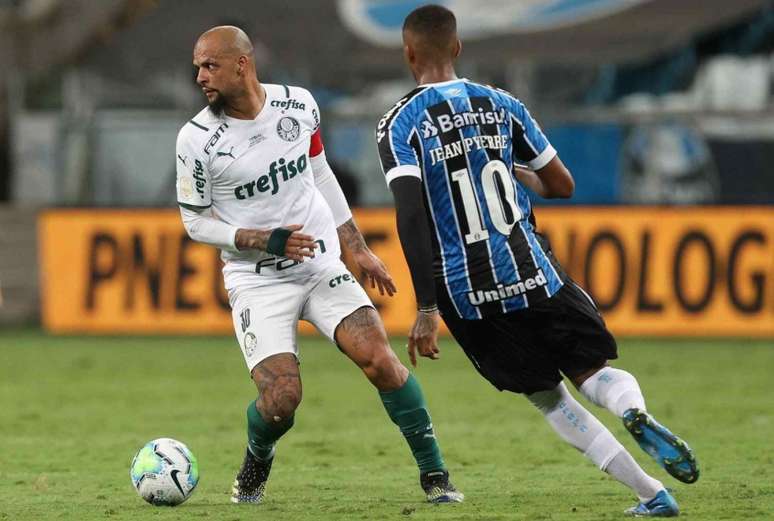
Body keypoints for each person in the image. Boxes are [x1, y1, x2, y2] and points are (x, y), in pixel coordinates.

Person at [376, 5, 698, 517]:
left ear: (409, 53)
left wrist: (426, 307)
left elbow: (412, 216)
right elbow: (561, 185)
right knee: (593, 371)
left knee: (549, 399)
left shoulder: (398, 124)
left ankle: (651, 494)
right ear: (458, 48)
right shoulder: (504, 105)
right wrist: (516, 172)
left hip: (468, 295)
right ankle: (633, 411)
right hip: (532, 271)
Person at [176, 25, 463, 504]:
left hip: (317, 263)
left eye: (210, 65)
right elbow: (195, 222)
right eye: (198, 67)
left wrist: (354, 245)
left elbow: (319, 171)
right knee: (282, 400)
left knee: (381, 361)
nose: (200, 76)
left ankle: (436, 477)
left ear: (242, 64)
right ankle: (256, 458)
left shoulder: (298, 105)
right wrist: (262, 239)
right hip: (256, 279)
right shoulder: (197, 139)